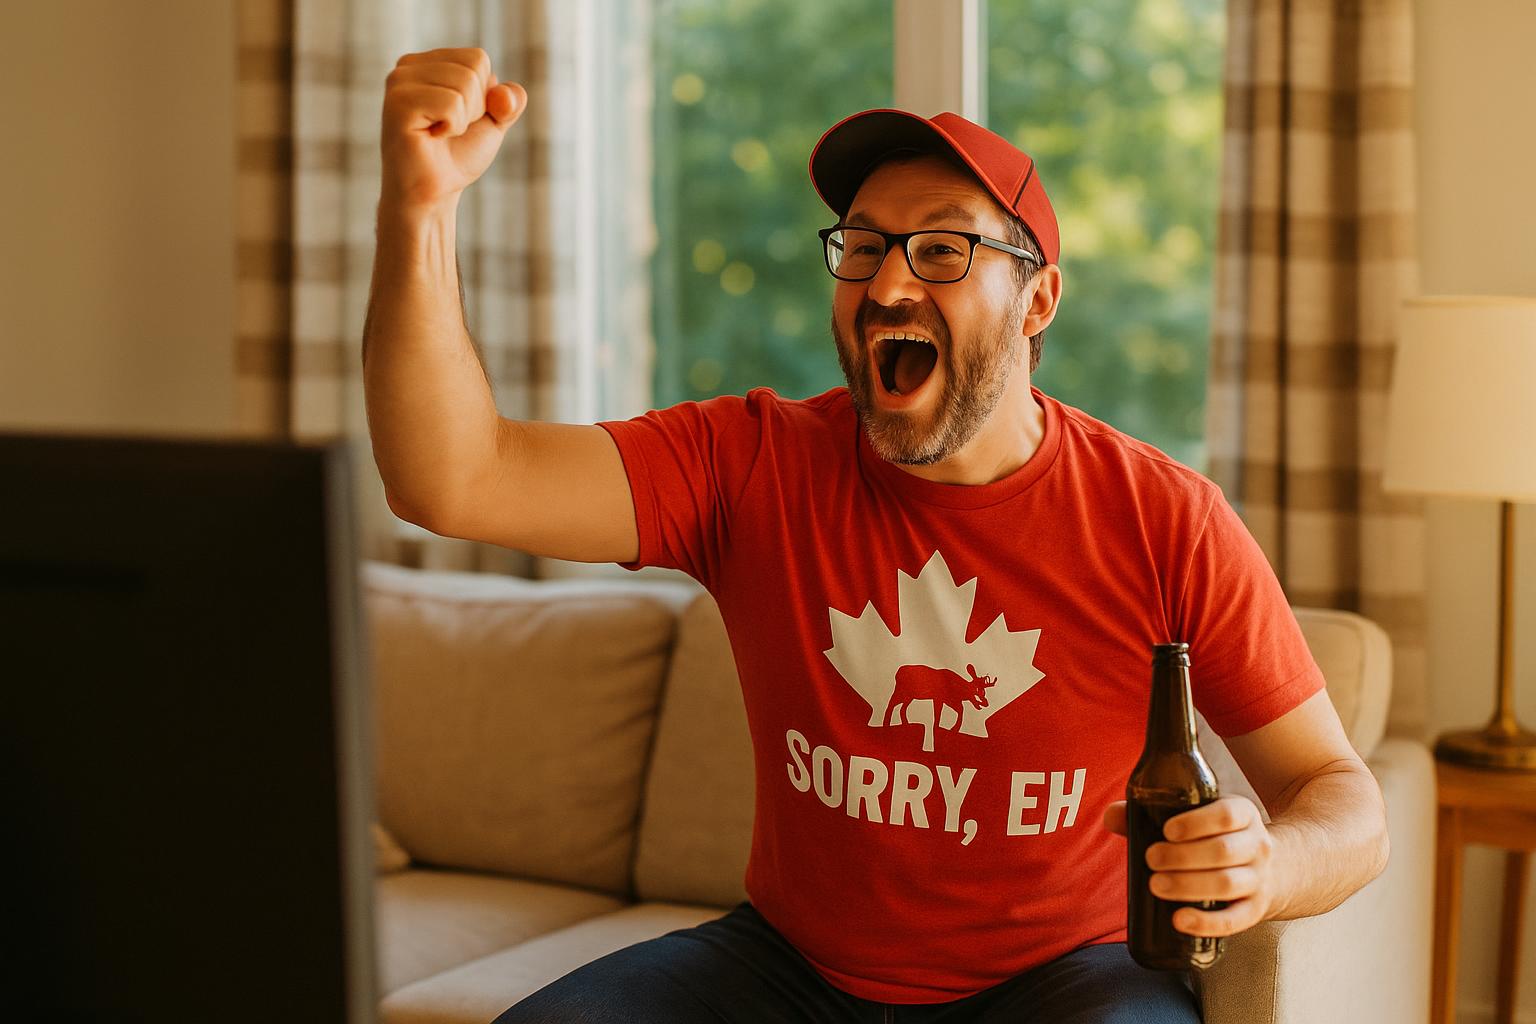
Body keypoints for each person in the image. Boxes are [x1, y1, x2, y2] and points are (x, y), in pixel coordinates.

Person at [364, 48, 1391, 1024]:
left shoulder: (1166, 517)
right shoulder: (751, 462)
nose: (890, 285)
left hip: (1061, 980)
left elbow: (1344, 800)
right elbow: (456, 478)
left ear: (1037, 300)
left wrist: (1272, 864)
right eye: (862, 247)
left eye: (943, 249)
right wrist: (421, 206)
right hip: (785, 966)